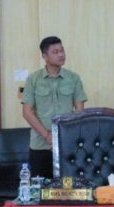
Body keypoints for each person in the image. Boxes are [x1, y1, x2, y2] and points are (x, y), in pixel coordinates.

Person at [22, 36, 87, 178]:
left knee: (69, 186)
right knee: (40, 188)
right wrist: (47, 135)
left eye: (62, 50)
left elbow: (80, 112)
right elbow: (27, 112)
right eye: (55, 52)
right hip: (40, 145)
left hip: (68, 144)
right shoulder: (33, 80)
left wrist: (66, 135)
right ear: (44, 56)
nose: (61, 54)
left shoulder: (73, 78)